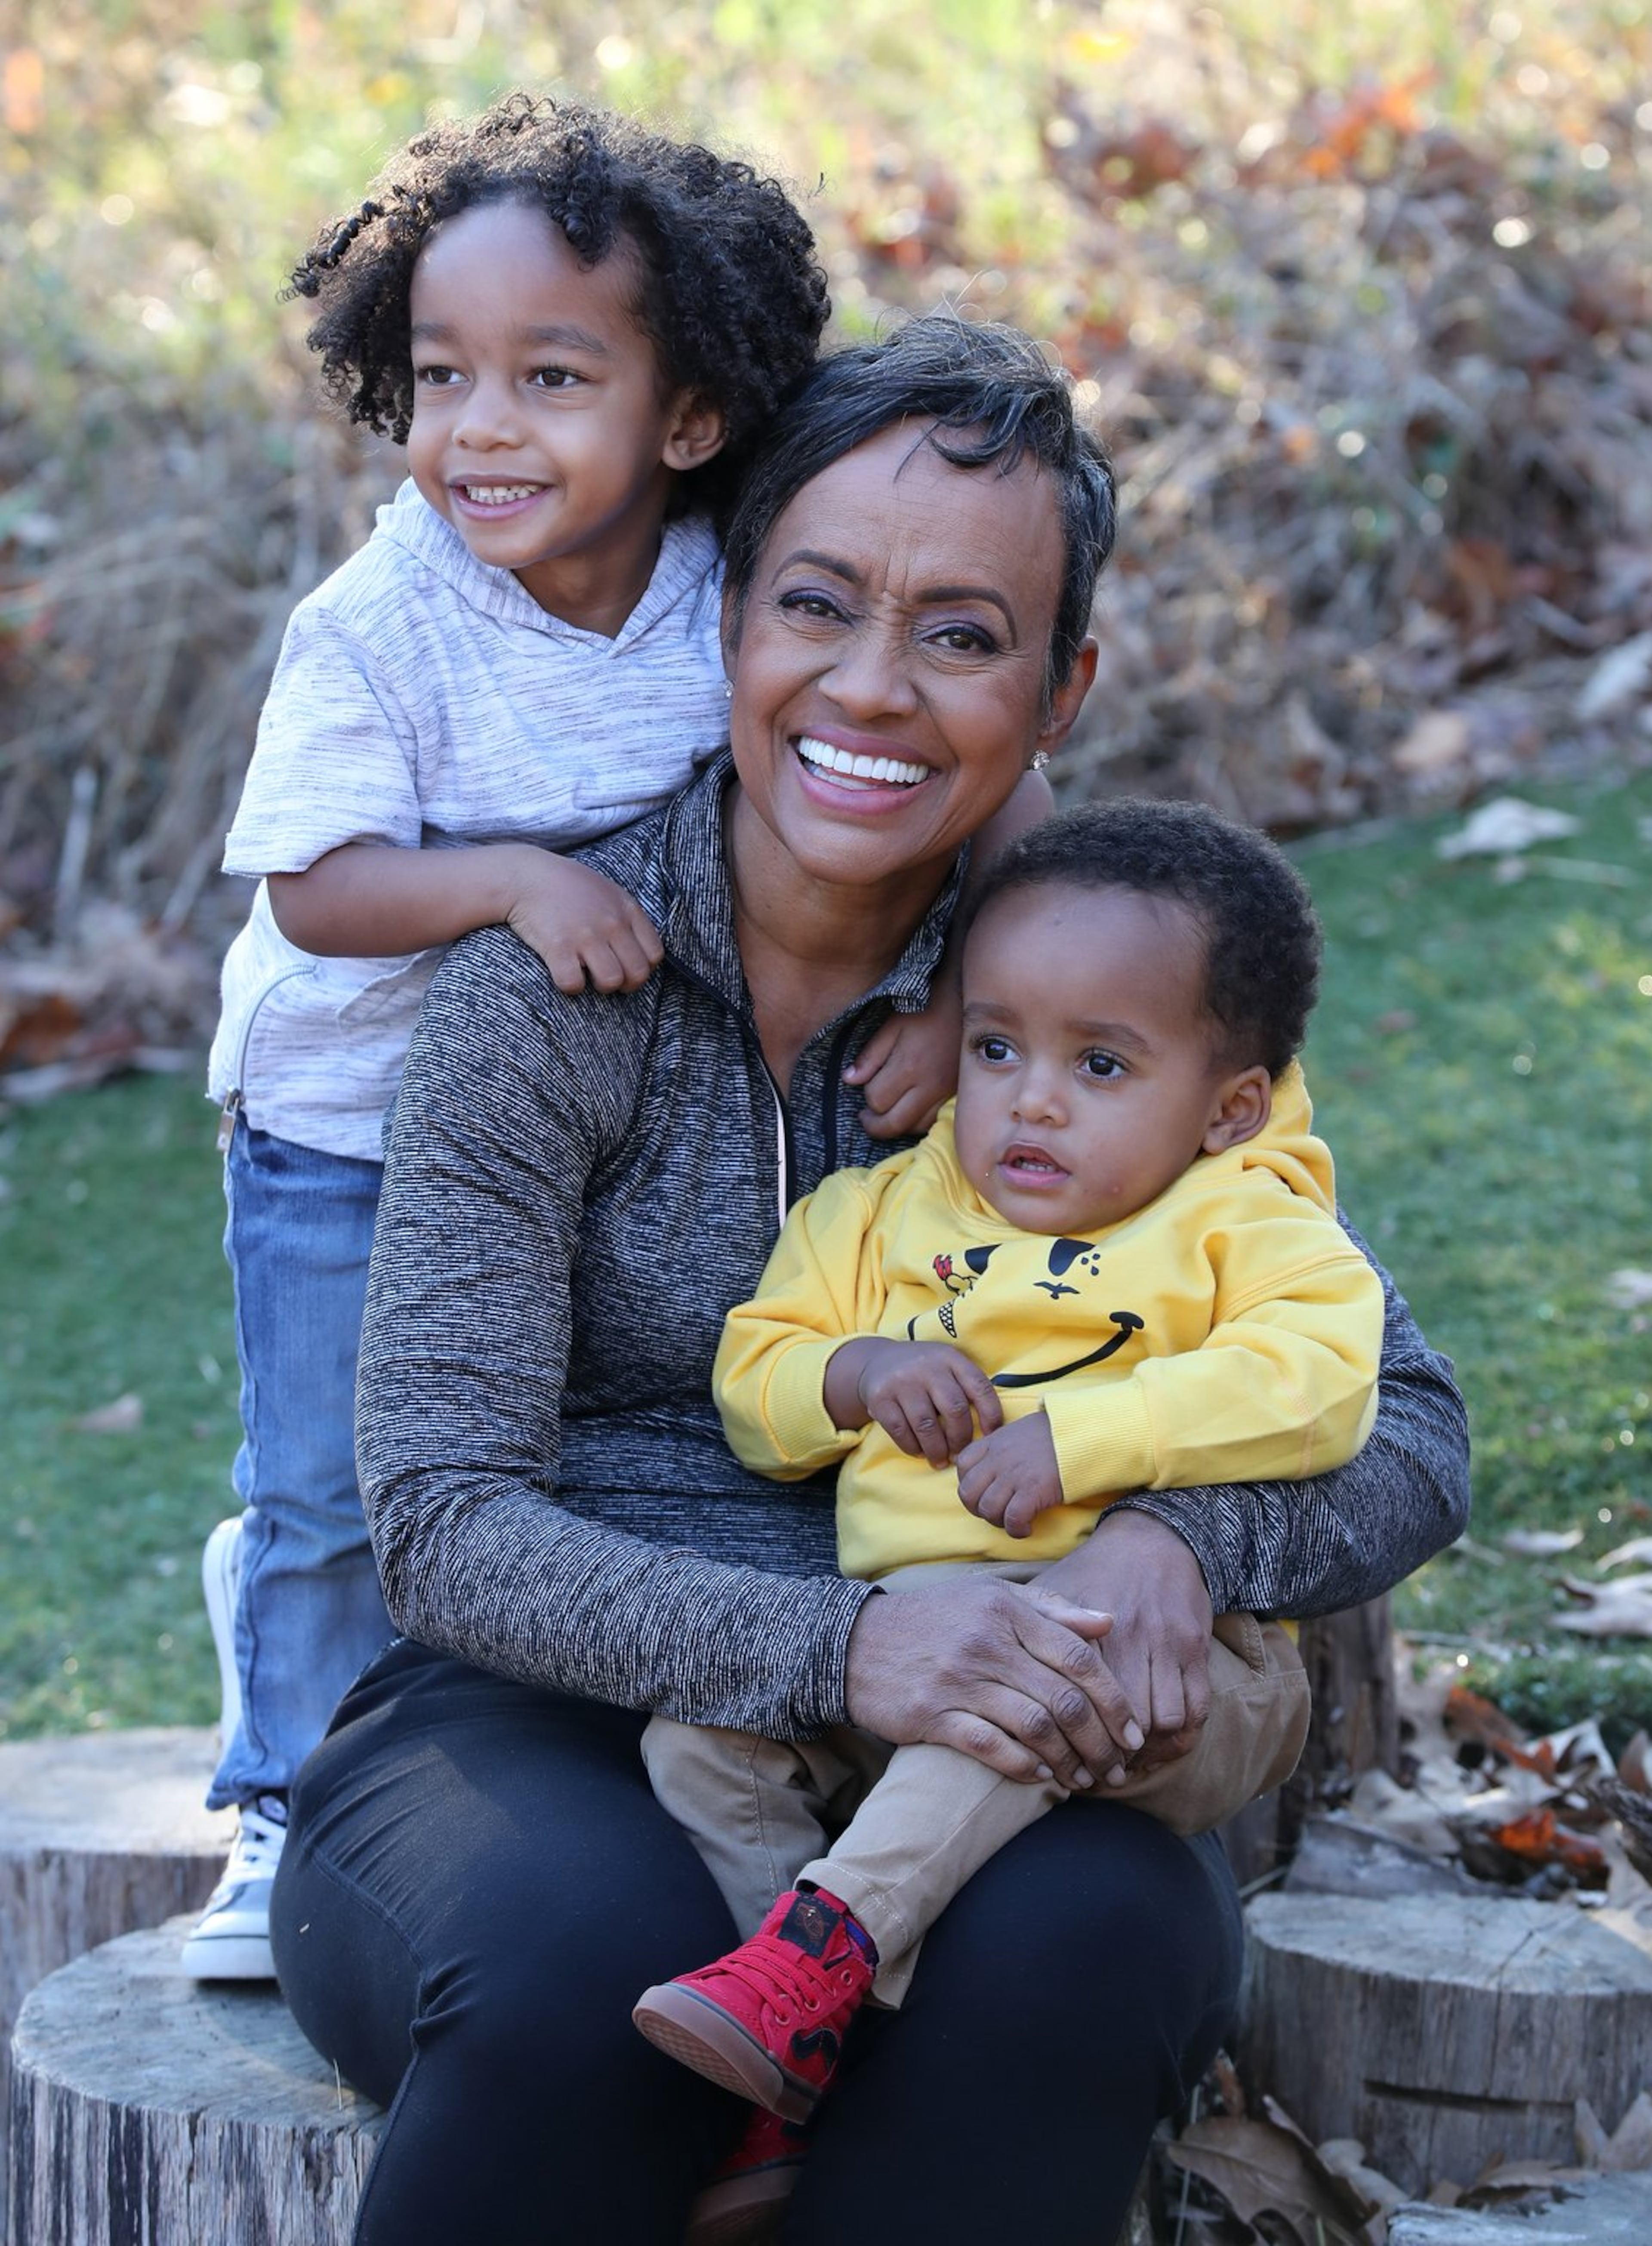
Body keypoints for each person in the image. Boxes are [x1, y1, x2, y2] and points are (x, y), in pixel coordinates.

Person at [269, 314, 1470, 2246]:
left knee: (1084, 1957)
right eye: (817, 603)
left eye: (966, 636)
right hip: (545, 1717)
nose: (874, 688)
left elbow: (1407, 1423)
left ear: (1061, 688)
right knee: (584, 1979)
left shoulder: (1106, 985)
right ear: (731, 617)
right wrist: (837, 1646)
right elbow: (439, 1517)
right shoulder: (553, 981)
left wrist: (1175, 1539)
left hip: (990, 1740)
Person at [188, 97, 999, 1980]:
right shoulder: (386, 618)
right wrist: (511, 887)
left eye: (552, 378)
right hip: (346, 1123)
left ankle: (584, 1711)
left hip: (591, 1106)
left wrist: (960, 1003)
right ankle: (286, 1791)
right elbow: (312, 889)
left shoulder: (738, 575)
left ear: (690, 416)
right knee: (332, 1480)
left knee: (547, 1433)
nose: (481, 427)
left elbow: (998, 805)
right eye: (443, 373)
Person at [631, 796, 1383, 2186]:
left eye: (1101, 1062)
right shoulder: (878, 1216)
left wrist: (1088, 1441)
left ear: (1229, 1107)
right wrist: (849, 1375)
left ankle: (829, 1945)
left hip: (1160, 1666)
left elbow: (1322, 1377)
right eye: (995, 1045)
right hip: (900, 1645)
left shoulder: (1244, 1217)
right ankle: (796, 2026)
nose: (1031, 1097)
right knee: (702, 1738)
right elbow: (755, 1377)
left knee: (1024, 1687)